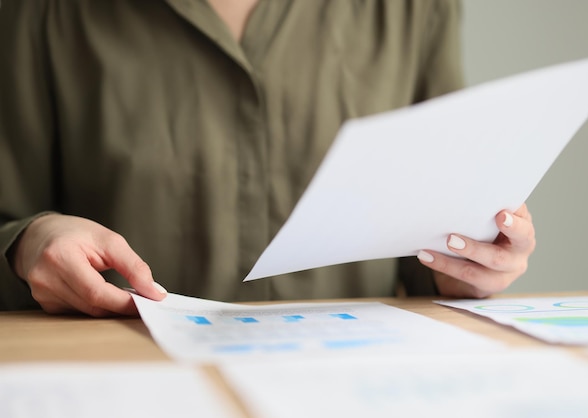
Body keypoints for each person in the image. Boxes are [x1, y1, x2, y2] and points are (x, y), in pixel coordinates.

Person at [0, 0, 536, 316]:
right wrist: (26, 244)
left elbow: (431, 229)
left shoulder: (411, 10)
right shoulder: (37, 13)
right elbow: (10, 222)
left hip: (351, 386)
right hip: (116, 381)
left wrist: (467, 265)